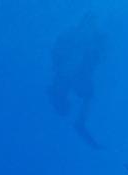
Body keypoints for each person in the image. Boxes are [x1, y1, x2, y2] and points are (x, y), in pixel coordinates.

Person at [47, 11, 106, 149]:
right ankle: (75, 118)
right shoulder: (74, 34)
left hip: (75, 73)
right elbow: (57, 51)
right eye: (90, 22)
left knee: (87, 95)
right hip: (69, 73)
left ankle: (79, 121)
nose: (92, 25)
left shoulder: (95, 37)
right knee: (77, 98)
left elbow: (100, 55)